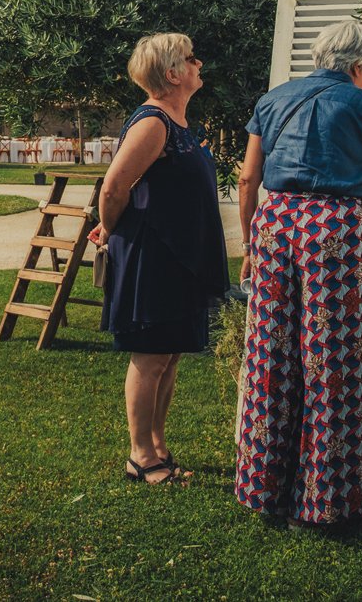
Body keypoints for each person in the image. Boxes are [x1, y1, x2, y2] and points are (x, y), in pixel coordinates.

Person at [234, 20, 362, 527]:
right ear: (359, 66)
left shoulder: (274, 99)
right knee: (334, 360)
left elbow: (247, 178)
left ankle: (263, 488)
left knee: (271, 354)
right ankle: (327, 498)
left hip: (275, 224)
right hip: (333, 230)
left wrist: (250, 244)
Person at [88, 33, 229, 485]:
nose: (199, 62)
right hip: (153, 253)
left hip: (180, 254)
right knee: (150, 357)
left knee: (170, 355)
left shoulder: (179, 122)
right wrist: (108, 228)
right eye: (191, 58)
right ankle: (140, 455)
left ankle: (158, 444)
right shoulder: (153, 122)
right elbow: (112, 188)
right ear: (172, 74)